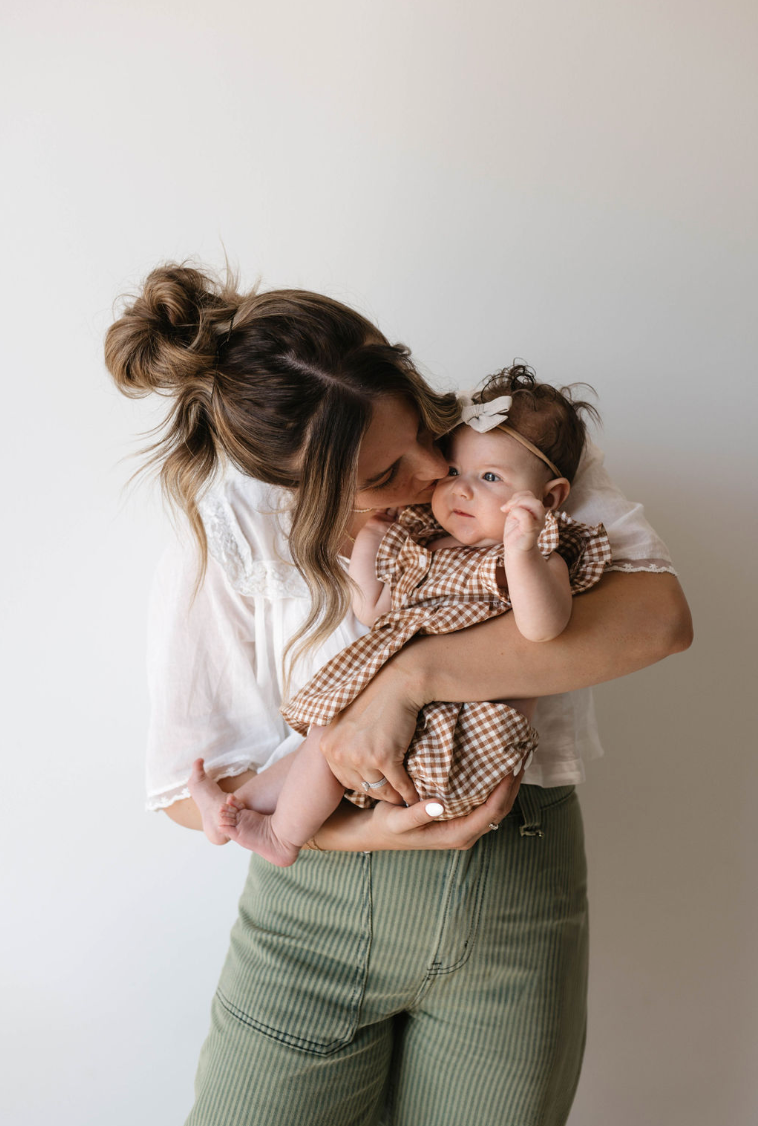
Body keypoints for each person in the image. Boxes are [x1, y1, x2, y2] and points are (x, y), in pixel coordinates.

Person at [105, 262, 692, 1126]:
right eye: (385, 473)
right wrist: (355, 829)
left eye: (423, 428)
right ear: (296, 489)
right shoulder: (228, 528)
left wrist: (410, 682)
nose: (433, 472)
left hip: (514, 896)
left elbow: (658, 620)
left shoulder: (514, 444)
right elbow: (187, 789)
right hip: (313, 916)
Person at [187, 368, 613, 866]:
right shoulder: (425, 547)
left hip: (462, 734)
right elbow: (373, 612)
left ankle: (282, 838)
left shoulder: (538, 557)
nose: (461, 489)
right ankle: (239, 809)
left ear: (550, 498)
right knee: (327, 739)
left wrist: (521, 553)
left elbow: (544, 628)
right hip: (400, 731)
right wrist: (370, 544)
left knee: (331, 741)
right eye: (455, 472)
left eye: (490, 477)